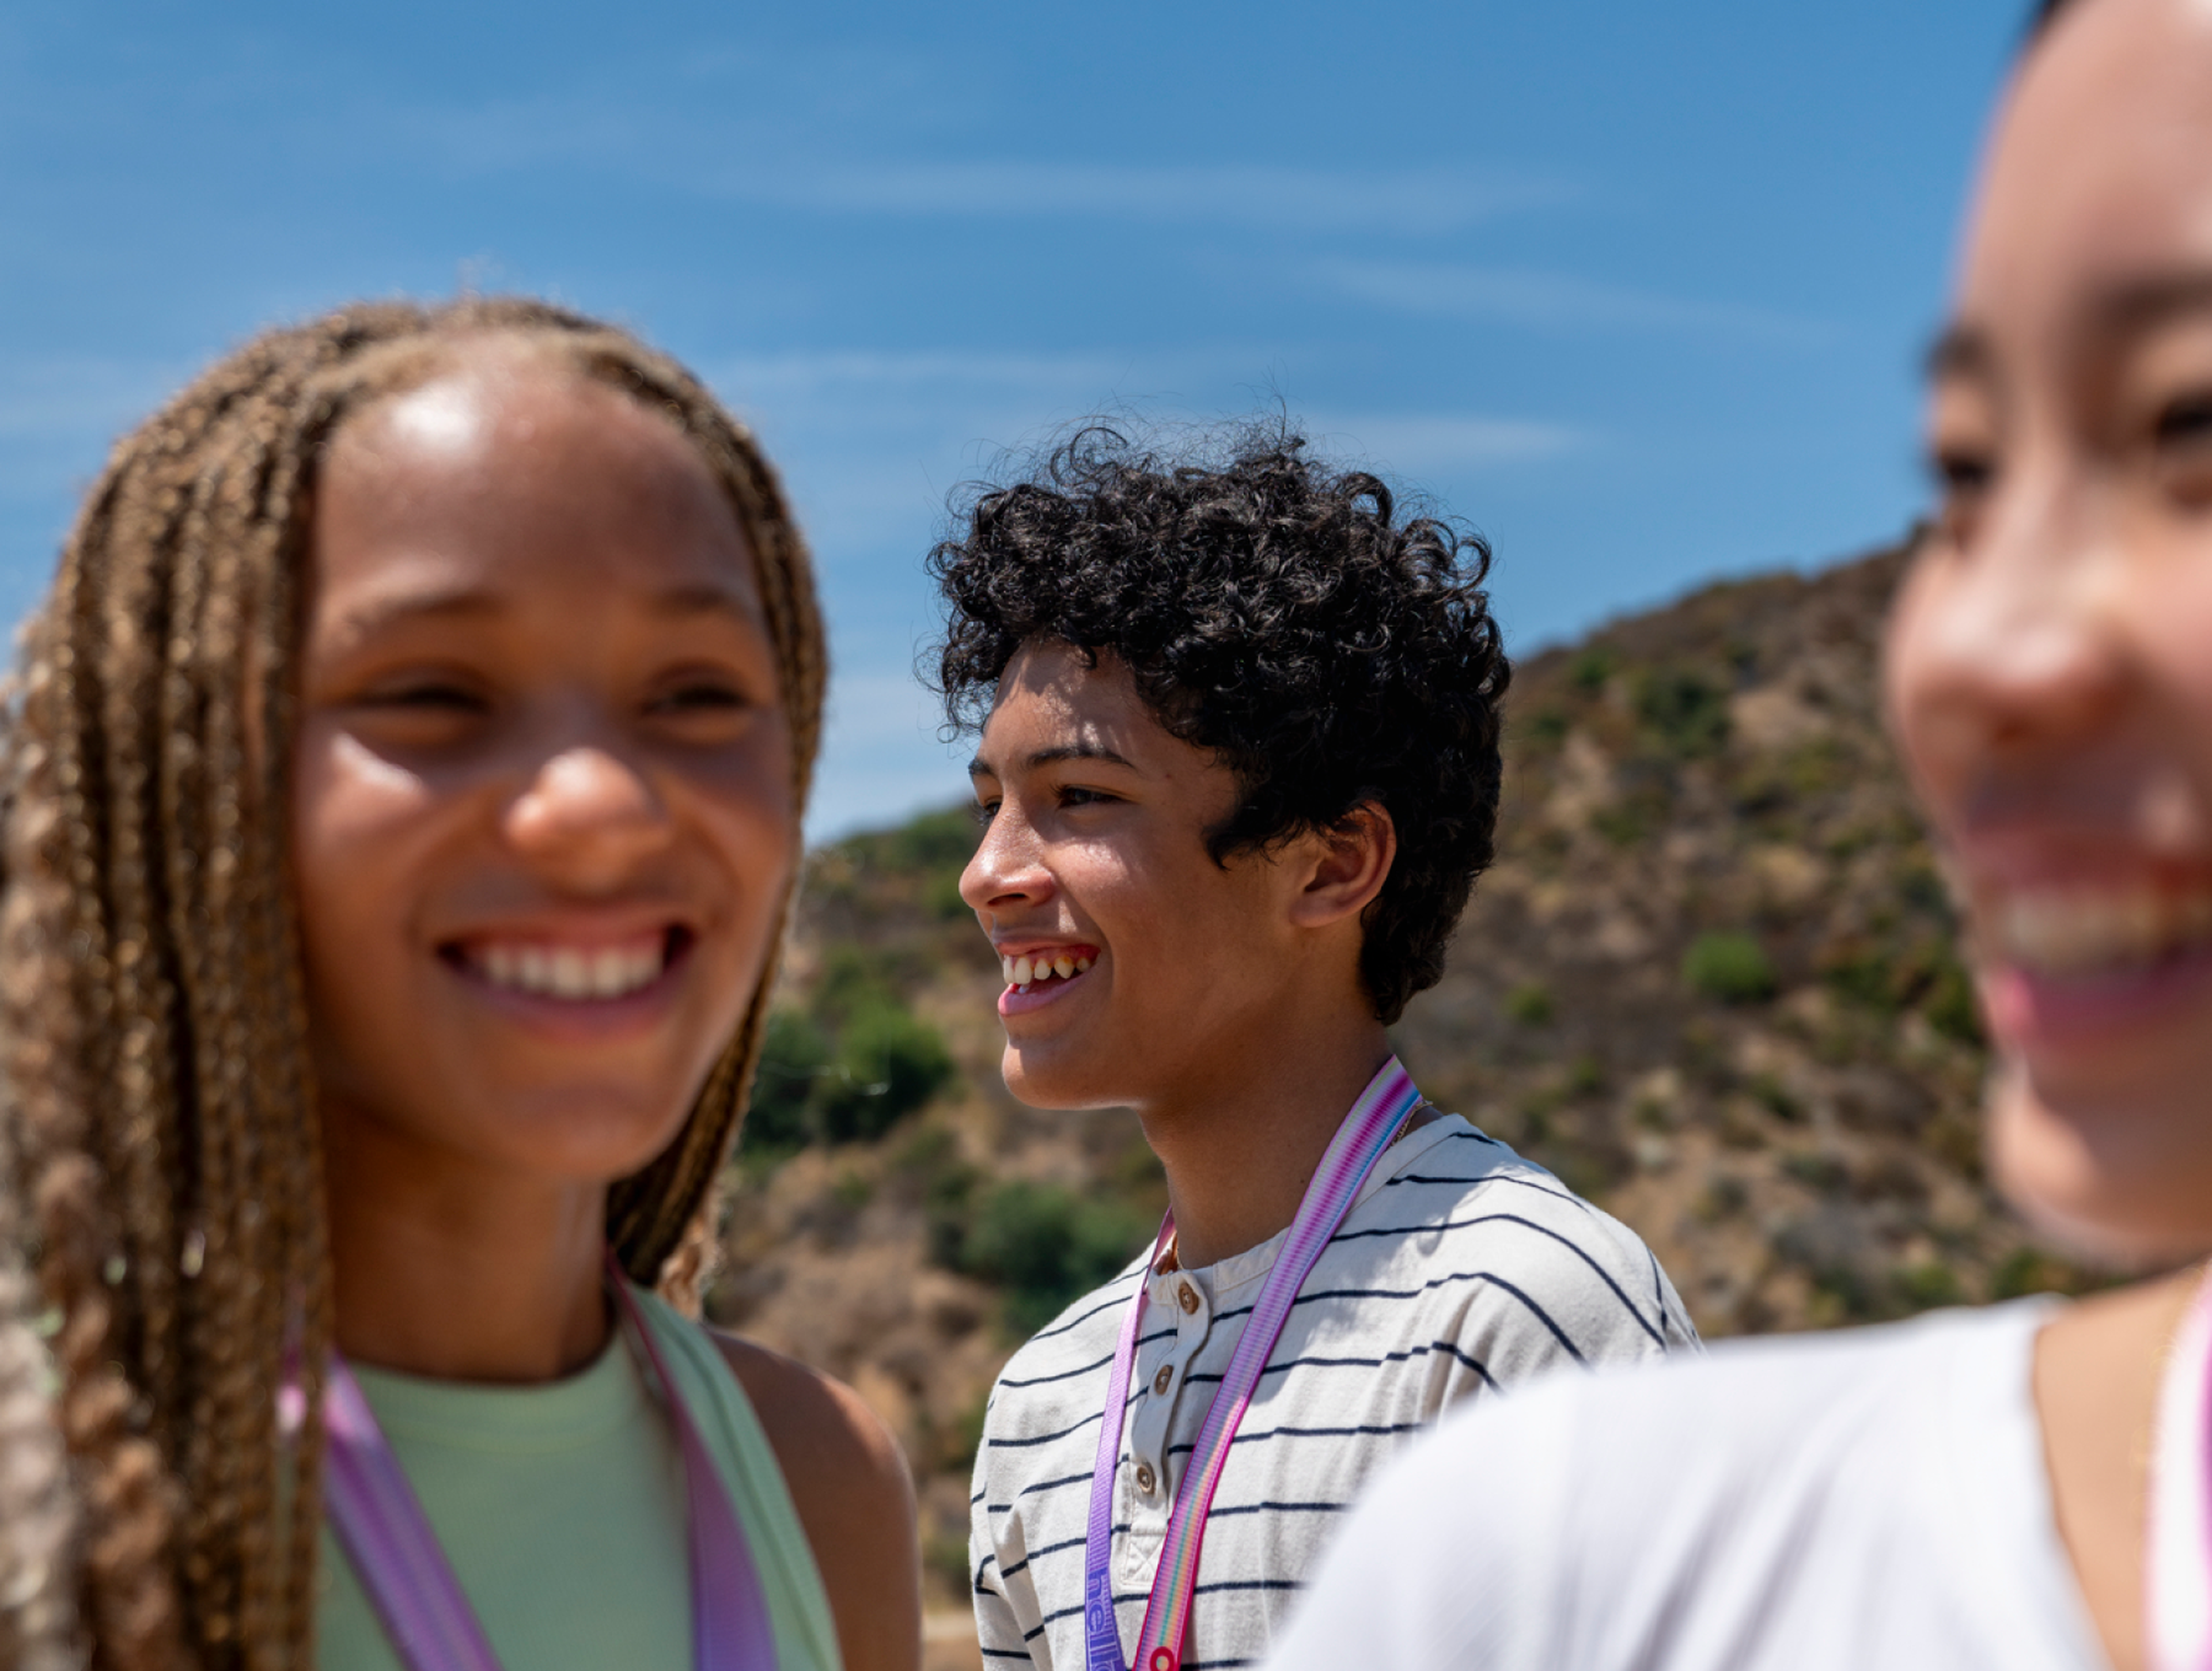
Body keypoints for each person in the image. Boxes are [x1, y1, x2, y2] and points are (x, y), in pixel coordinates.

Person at [1266, 2, 2212, 1668]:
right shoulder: (1586, 1585)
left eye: (2195, 430)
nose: (1972, 643)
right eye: (1969, 470)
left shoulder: (1530, 1319)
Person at [0, 297, 921, 1671]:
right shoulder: (48, 1485)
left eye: (695, 696)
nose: (603, 803)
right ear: (191, 789)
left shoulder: (817, 1479)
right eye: (433, 694)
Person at [933, 428, 1700, 1671]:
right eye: (990, 806)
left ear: (1332, 865)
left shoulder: (1514, 1313)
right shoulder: (1046, 1402)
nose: (988, 875)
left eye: (1080, 798)